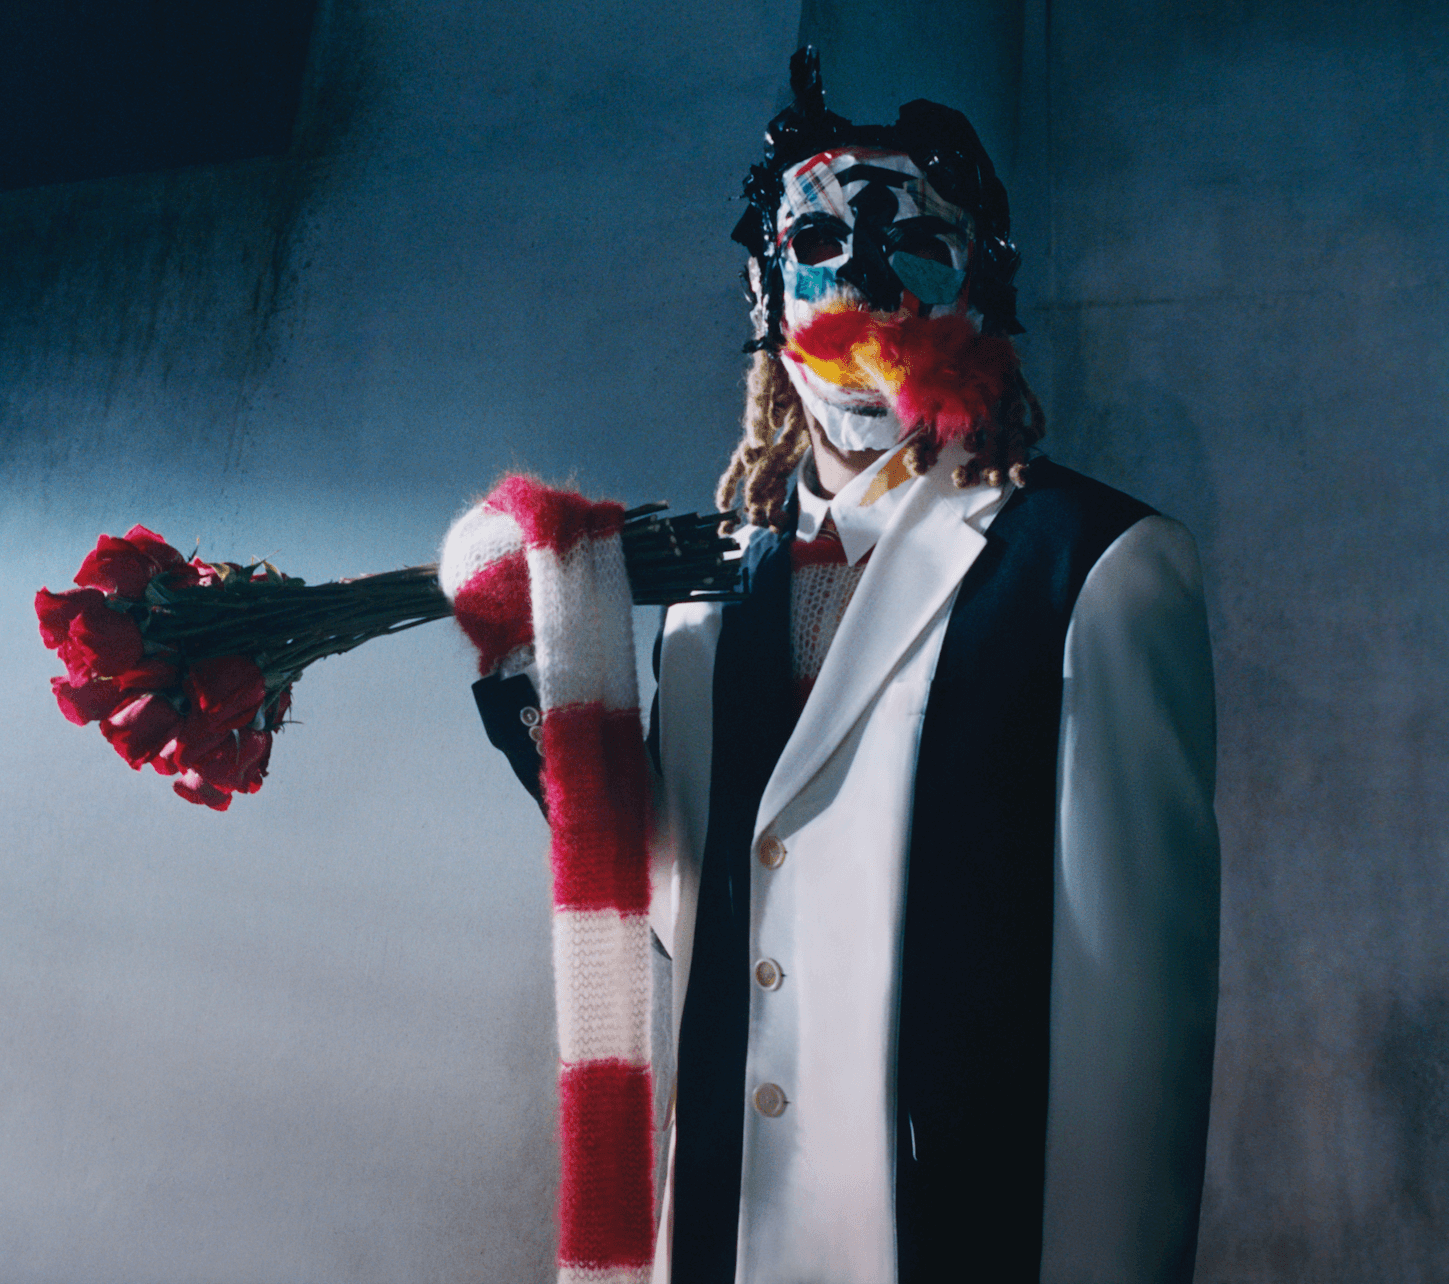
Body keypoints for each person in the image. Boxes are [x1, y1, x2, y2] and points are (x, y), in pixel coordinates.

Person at [460, 48, 1220, 1284]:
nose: (861, 289)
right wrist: (559, 739)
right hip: (722, 1232)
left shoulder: (1100, 569)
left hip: (942, 1240)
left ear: (985, 286)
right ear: (764, 295)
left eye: (911, 245)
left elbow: (1133, 1041)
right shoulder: (708, 594)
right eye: (818, 246)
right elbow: (705, 913)